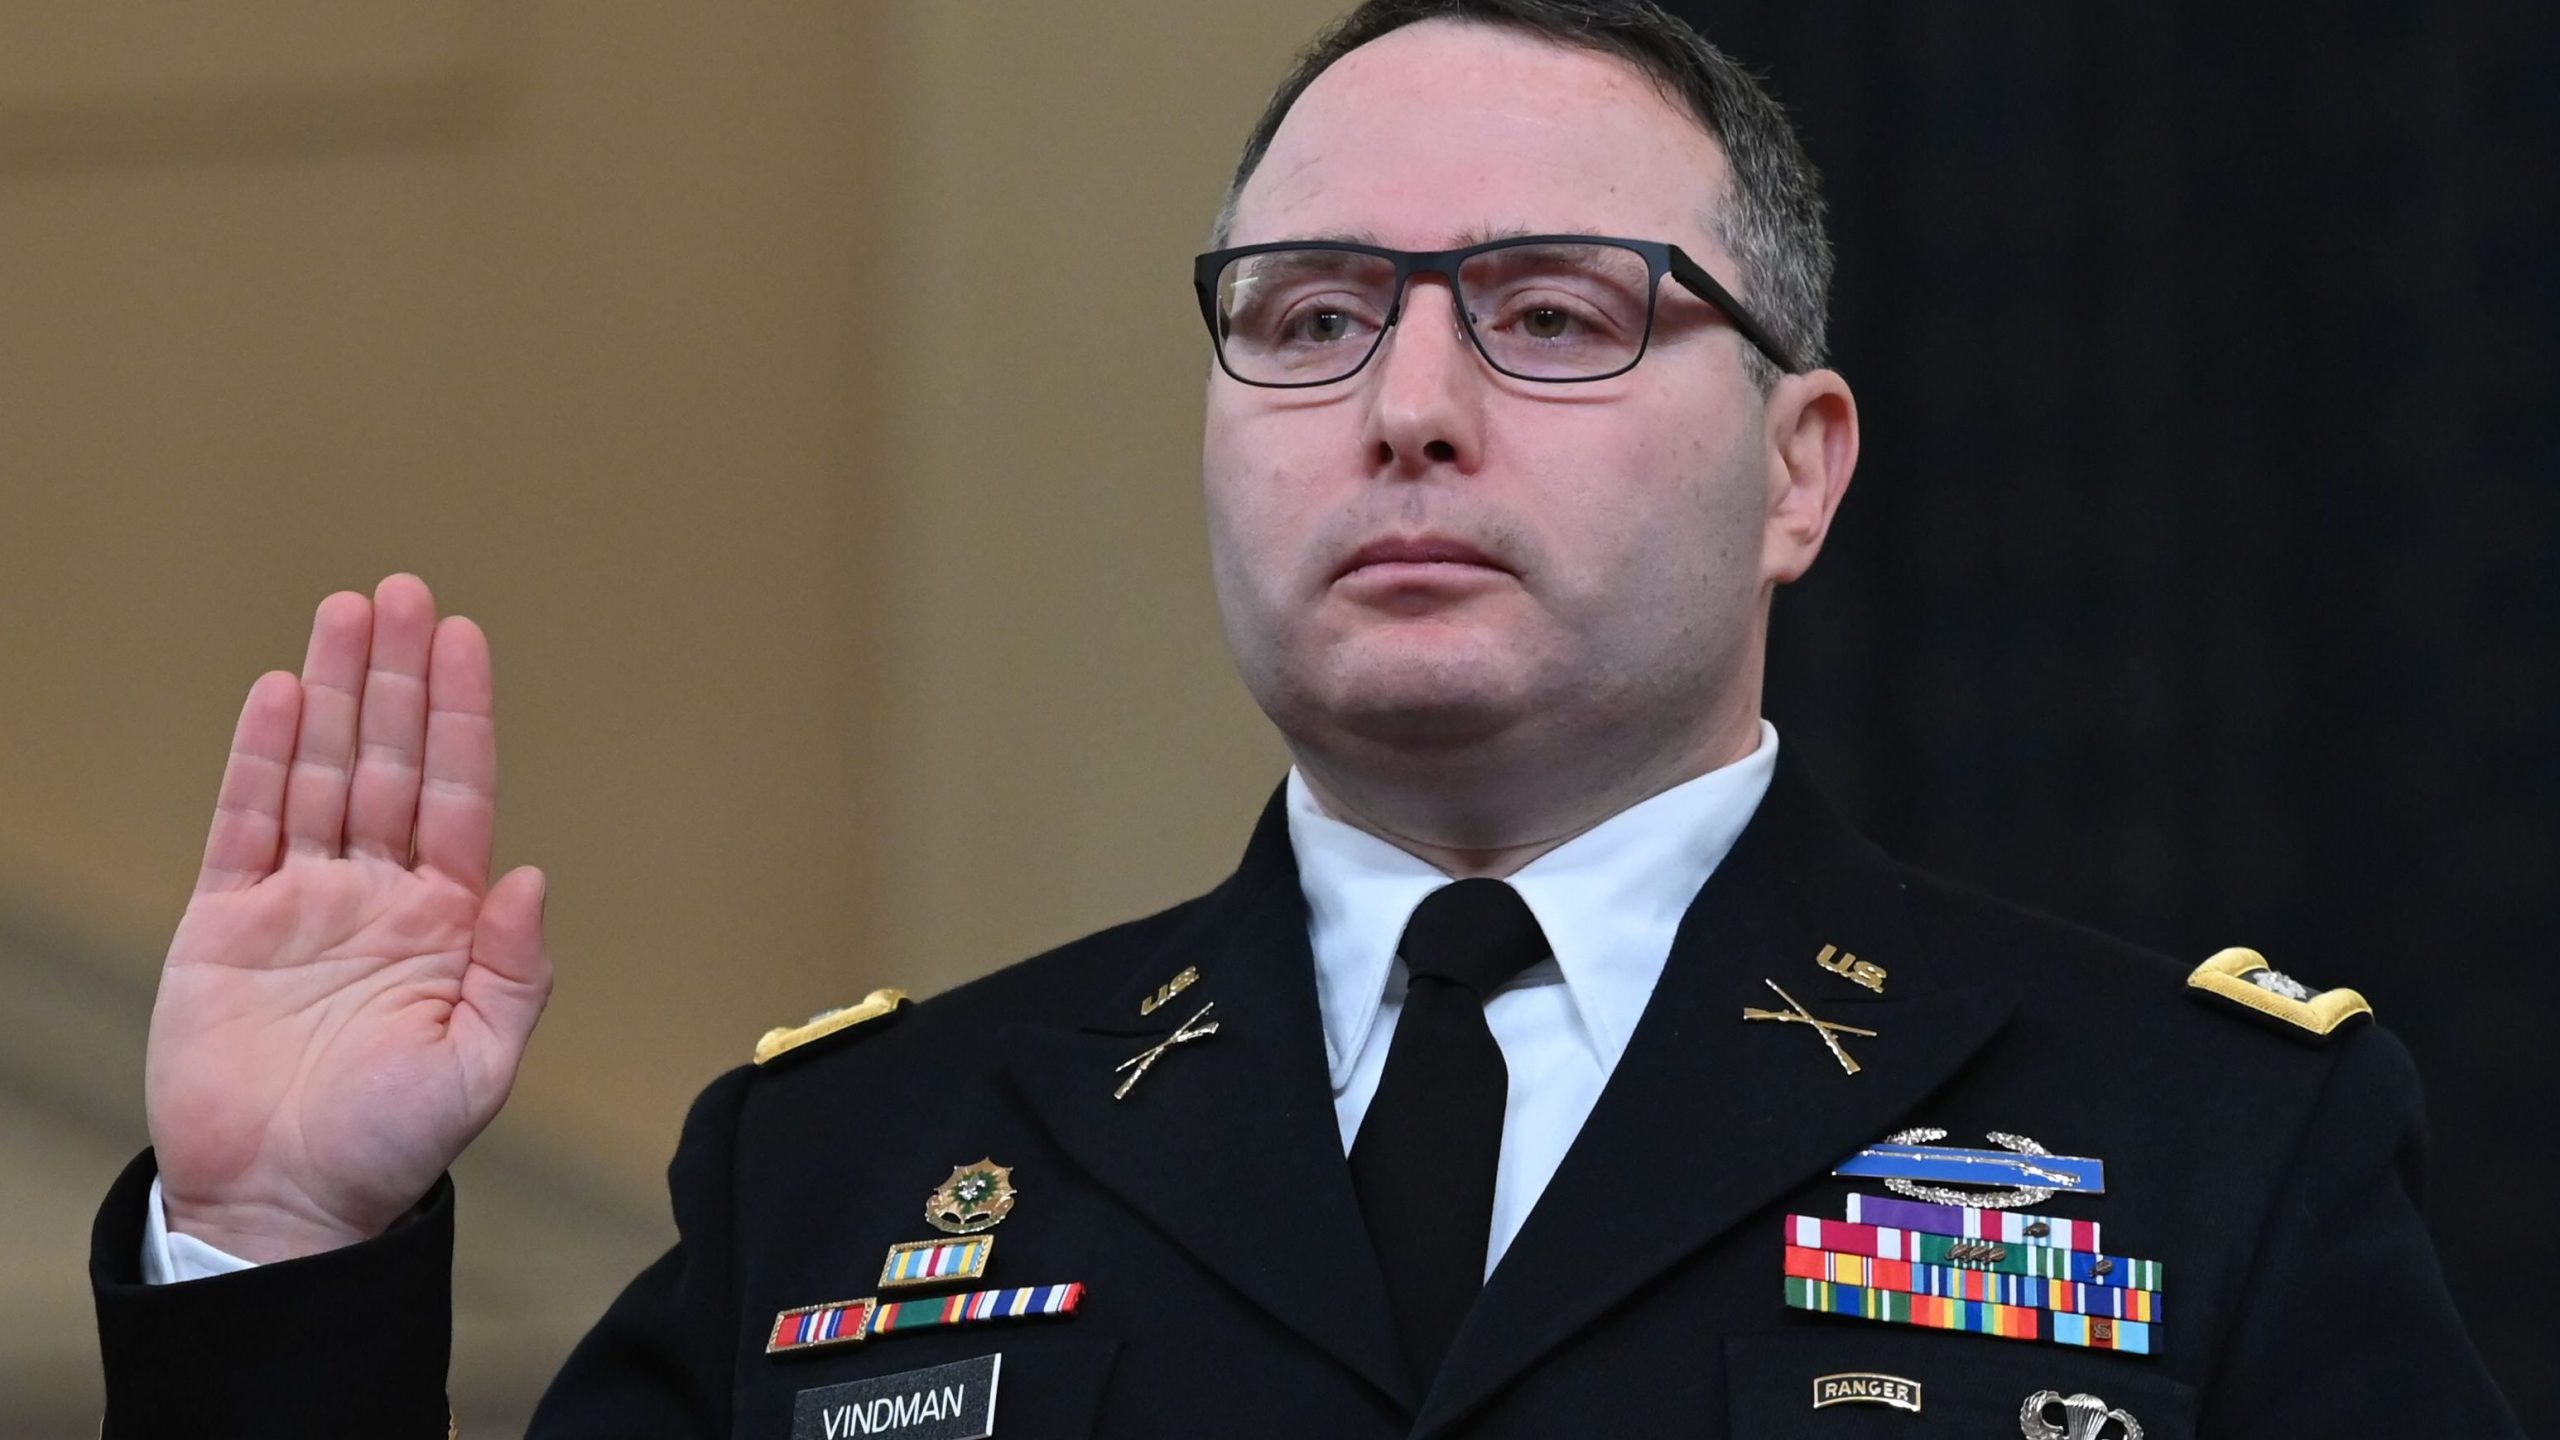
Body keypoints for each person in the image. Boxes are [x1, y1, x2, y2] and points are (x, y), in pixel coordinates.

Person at [89, 2, 2522, 1436]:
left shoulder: (2203, 1147)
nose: (1409, 409)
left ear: (1799, 471)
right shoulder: (846, 1172)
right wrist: (278, 1244)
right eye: (1307, 312)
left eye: (1557, 314)